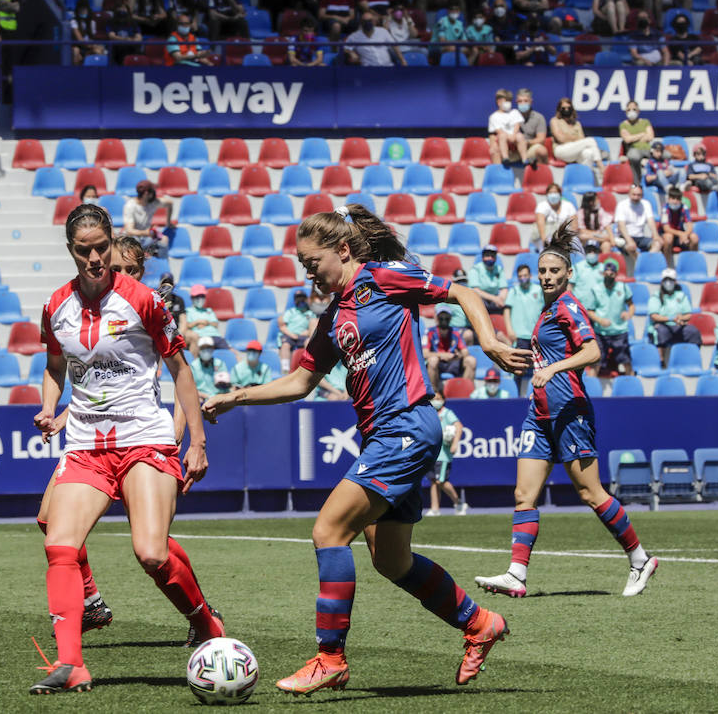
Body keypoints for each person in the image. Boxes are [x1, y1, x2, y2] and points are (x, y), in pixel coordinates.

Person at [202, 204, 523, 694]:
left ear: (343, 250)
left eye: (313, 263)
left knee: (329, 530)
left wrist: (489, 340)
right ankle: (480, 624)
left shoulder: (382, 279)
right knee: (390, 560)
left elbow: (459, 291)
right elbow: (300, 381)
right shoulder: (333, 319)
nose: (309, 274)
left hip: (406, 426)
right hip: (386, 435)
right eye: (303, 266)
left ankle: (330, 658)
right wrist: (236, 396)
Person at [31, 204, 221, 694]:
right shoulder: (56, 307)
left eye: (101, 248)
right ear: (70, 250)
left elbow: (181, 370)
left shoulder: (143, 300)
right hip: (86, 443)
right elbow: (54, 366)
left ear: (112, 243)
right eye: (83, 250)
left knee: (151, 553)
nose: (95, 258)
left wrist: (196, 441)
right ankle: (71, 663)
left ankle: (205, 625)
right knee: (59, 543)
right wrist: (50, 407)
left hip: (143, 438)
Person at [474, 218, 657, 604]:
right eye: (542, 271)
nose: (546, 276)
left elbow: (593, 351)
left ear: (568, 273)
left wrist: (552, 369)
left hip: (569, 411)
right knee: (524, 493)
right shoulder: (546, 310)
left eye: (554, 270)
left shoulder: (569, 306)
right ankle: (516, 573)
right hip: (539, 414)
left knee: (592, 494)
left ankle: (639, 559)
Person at [586, 259, 633, 378]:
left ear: (616, 274)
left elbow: (631, 305)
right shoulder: (596, 289)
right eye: (606, 273)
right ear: (603, 274)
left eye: (611, 274)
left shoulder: (622, 287)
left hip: (619, 331)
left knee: (626, 361)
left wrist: (629, 314)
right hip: (601, 332)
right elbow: (590, 311)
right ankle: (592, 390)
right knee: (595, 363)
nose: (608, 276)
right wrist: (600, 320)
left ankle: (632, 387)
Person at [646, 267, 701, 367]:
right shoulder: (656, 296)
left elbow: (688, 314)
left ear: (675, 282)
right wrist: (671, 319)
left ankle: (692, 359)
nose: (668, 283)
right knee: (660, 332)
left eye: (670, 280)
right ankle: (661, 361)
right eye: (666, 280)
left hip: (678, 325)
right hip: (662, 325)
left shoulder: (681, 295)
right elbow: (654, 316)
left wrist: (681, 318)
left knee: (693, 332)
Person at [504, 263, 544, 397]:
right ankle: (517, 396)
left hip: (535, 336)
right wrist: (509, 329)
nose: (523, 278)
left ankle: (538, 395)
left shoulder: (538, 290)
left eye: (525, 275)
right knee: (518, 368)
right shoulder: (514, 291)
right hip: (520, 336)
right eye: (520, 276)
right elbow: (507, 310)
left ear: (530, 276)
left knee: (539, 367)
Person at [426, 402, 468, 517]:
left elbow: (459, 426)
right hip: (430, 453)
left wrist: (455, 443)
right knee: (434, 482)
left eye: (438, 398)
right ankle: (435, 509)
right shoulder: (428, 411)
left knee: (441, 481)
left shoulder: (447, 413)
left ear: (443, 399)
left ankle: (458, 503)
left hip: (443, 455)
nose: (436, 400)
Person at [425, 306, 476, 398]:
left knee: (471, 360)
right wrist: (442, 355)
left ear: (450, 318)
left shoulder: (455, 332)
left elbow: (465, 352)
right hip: (438, 364)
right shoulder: (430, 332)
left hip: (453, 363)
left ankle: (464, 392)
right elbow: (424, 353)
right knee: (432, 360)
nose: (444, 320)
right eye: (441, 317)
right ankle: (434, 394)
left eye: (446, 317)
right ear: (437, 318)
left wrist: (458, 355)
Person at [549, 97, 603, 181]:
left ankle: (584, 180)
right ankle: (601, 167)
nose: (566, 110)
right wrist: (575, 138)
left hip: (575, 151)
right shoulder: (555, 121)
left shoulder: (577, 123)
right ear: (559, 109)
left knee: (588, 153)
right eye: (563, 108)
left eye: (568, 108)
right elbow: (561, 139)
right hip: (561, 150)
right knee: (590, 140)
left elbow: (581, 139)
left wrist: (568, 137)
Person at [614, 183, 661, 273]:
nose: (636, 197)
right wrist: (629, 240)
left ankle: (646, 263)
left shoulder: (646, 204)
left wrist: (655, 235)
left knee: (657, 243)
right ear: (629, 194)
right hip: (625, 236)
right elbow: (621, 225)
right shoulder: (622, 205)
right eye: (634, 194)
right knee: (630, 247)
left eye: (639, 195)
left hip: (640, 237)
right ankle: (642, 264)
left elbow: (650, 220)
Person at [658, 186, 699, 265]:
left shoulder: (684, 207)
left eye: (678, 199)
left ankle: (692, 264)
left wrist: (685, 235)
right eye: (673, 198)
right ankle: (667, 265)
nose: (675, 201)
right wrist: (681, 234)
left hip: (680, 235)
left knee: (694, 238)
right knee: (668, 237)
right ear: (669, 199)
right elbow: (666, 228)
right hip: (667, 235)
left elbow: (690, 225)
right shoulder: (665, 209)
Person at [278, 288, 316, 366]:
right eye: (298, 298)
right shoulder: (291, 312)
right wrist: (291, 334)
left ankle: (308, 365)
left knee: (309, 343)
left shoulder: (310, 313)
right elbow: (282, 326)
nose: (300, 300)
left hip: (303, 336)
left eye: (302, 298)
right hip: (290, 335)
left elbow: (313, 327)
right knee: (285, 345)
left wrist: (307, 332)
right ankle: (285, 367)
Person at [487, 89, 526, 165]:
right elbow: (498, 130)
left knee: (520, 136)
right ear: (498, 102)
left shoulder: (514, 112)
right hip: (502, 139)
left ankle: (525, 159)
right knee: (502, 136)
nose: (508, 103)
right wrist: (508, 136)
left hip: (514, 138)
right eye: (506, 101)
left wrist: (514, 134)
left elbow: (517, 124)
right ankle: (505, 158)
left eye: (509, 101)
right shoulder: (493, 116)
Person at [617, 102, 654, 179]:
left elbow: (650, 137)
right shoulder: (623, 125)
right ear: (626, 112)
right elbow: (627, 139)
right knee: (634, 157)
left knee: (665, 154)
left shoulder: (645, 122)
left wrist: (633, 137)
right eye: (629, 110)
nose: (631, 112)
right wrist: (642, 134)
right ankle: (637, 183)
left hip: (647, 150)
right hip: (633, 151)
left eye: (634, 109)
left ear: (638, 111)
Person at [533, 184, 576, 248]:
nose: (553, 195)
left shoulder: (568, 205)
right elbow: (541, 225)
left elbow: (574, 225)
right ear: (547, 194)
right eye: (550, 193)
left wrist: (569, 239)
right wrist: (545, 242)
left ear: (560, 194)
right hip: (548, 238)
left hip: (566, 237)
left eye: (555, 192)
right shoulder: (542, 206)